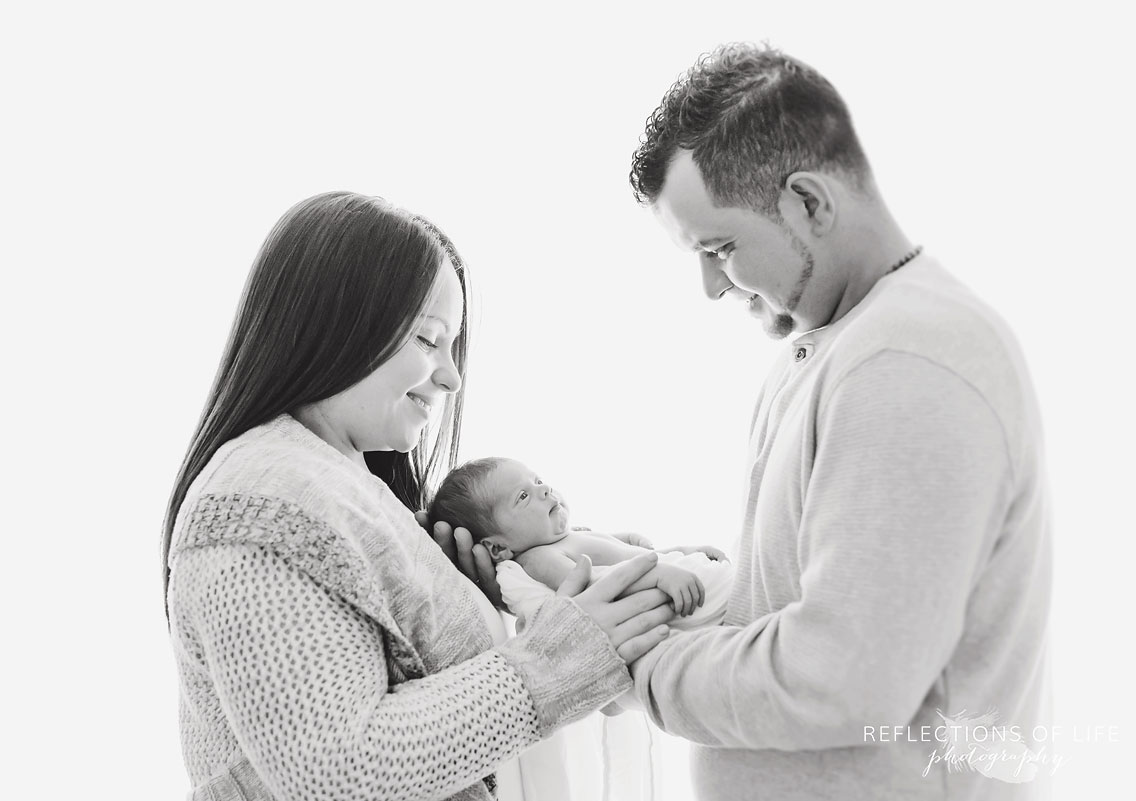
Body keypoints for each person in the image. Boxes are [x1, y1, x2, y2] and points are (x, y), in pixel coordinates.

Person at [439, 44, 1052, 800]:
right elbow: (788, 609)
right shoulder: (831, 354)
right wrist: (591, 595)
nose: (709, 287)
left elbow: (841, 679)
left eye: (720, 248)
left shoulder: (909, 362)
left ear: (809, 201)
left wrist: (619, 657)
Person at [161, 191, 677, 801]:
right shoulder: (260, 502)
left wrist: (478, 601)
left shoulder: (344, 487)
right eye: (428, 341)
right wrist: (559, 660)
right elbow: (337, 772)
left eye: (453, 347)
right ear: (335, 325)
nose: (452, 376)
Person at [428, 456, 733, 625]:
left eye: (537, 480)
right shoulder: (537, 559)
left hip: (679, 577)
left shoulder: (572, 537)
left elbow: (631, 555)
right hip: (678, 593)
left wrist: (683, 551)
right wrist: (663, 574)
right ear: (497, 548)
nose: (544, 489)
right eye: (523, 496)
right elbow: (597, 588)